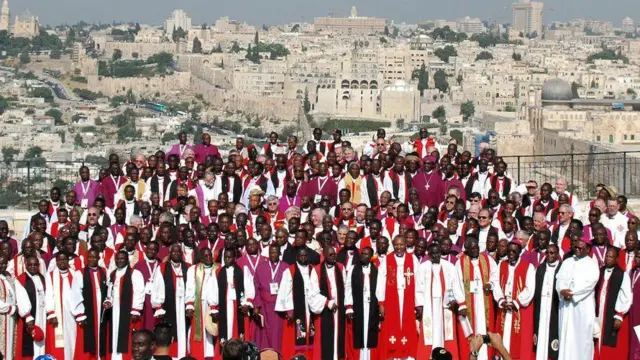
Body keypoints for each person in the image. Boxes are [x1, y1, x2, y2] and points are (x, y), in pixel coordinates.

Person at [415, 243, 466, 359]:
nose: (436, 255)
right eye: (433, 253)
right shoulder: (423, 267)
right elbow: (418, 289)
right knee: (429, 333)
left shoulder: (449, 267)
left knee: (446, 333)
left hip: (445, 306)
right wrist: (420, 306)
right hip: (429, 305)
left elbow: (456, 286)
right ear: (428, 253)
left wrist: (461, 304)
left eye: (438, 252)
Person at [275, 248, 326, 360]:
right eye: (301, 256)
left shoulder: (312, 270)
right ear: (297, 257)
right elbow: (285, 291)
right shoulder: (290, 270)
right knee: (296, 337)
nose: (303, 258)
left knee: (310, 335)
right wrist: (289, 309)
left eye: (305, 256)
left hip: (310, 308)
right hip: (296, 310)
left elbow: (316, 289)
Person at [555, 235, 600, 360]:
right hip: (566, 305)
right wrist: (562, 290)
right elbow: (559, 278)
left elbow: (590, 283)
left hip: (582, 307)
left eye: (581, 248)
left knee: (581, 340)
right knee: (565, 336)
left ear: (588, 249)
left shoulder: (592, 264)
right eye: (576, 247)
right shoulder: (568, 261)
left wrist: (573, 294)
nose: (578, 249)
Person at [455, 236, 499, 360]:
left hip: (485, 300)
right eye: (472, 248)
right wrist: (462, 304)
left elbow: (495, 276)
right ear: (467, 250)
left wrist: (490, 284)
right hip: (469, 304)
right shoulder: (461, 262)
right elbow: (457, 284)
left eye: (477, 247)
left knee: (485, 330)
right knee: (472, 332)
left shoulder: (487, 259)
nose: (475, 250)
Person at [377, 235, 419, 360]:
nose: (399, 247)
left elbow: (418, 282)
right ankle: (393, 355)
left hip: (408, 299)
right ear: (393, 245)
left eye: (401, 245)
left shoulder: (413, 259)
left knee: (409, 326)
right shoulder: (387, 259)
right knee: (391, 327)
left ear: (406, 244)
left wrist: (418, 303)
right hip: (391, 299)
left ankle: (408, 355)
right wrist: (381, 303)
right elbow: (380, 282)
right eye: (396, 245)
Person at [492, 240, 535, 360]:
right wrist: (501, 300)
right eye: (509, 251)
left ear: (520, 252)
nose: (511, 254)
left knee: (517, 341)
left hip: (518, 308)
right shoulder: (501, 264)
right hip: (504, 306)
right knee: (503, 337)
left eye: (514, 251)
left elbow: (529, 288)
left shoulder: (528, 267)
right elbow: (496, 284)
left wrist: (516, 302)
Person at [104, 250, 145, 360]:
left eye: (122, 258)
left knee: (127, 337)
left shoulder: (135, 274)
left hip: (128, 312)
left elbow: (139, 292)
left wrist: (136, 310)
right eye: (117, 258)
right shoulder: (112, 274)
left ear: (127, 260)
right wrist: (108, 301)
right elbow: (110, 293)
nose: (119, 261)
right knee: (114, 336)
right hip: (114, 312)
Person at [44, 252, 84, 360]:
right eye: (59, 260)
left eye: (64, 260)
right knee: (59, 343)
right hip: (57, 313)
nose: (62, 262)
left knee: (72, 338)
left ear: (68, 261)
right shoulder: (51, 275)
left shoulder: (74, 273)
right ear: (56, 262)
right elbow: (49, 295)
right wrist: (51, 313)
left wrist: (80, 313)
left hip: (72, 313)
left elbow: (79, 294)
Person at [151, 244, 189, 358]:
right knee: (172, 330)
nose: (176, 254)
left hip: (184, 304)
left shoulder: (187, 267)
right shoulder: (162, 268)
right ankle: (172, 355)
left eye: (178, 252)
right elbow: (156, 287)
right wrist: (158, 307)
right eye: (174, 252)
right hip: (169, 304)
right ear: (170, 254)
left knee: (184, 330)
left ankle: (183, 355)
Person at [593, 247, 631, 360]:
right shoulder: (599, 271)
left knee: (608, 340)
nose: (608, 259)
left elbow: (626, 296)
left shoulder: (622, 275)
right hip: (598, 311)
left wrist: (619, 315)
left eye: (611, 257)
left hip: (611, 313)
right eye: (607, 256)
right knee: (596, 336)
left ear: (617, 259)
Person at [214, 249, 254, 348]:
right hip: (225, 305)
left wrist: (247, 303)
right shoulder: (218, 272)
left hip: (238, 305)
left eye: (229, 257)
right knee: (226, 330)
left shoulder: (242, 270)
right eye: (225, 257)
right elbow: (213, 291)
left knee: (238, 330)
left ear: (234, 258)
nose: (227, 259)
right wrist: (214, 308)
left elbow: (249, 287)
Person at [345, 247, 380, 360]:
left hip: (371, 306)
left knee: (370, 332)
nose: (364, 256)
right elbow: (348, 287)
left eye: (367, 254)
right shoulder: (353, 268)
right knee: (359, 333)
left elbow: (380, 289)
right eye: (362, 253)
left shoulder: (376, 269)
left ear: (371, 257)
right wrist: (349, 306)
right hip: (358, 305)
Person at [74, 248, 108, 360]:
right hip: (87, 311)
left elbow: (108, 289)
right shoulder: (80, 273)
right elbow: (75, 294)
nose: (92, 259)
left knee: (101, 335)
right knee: (88, 339)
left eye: (94, 257)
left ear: (99, 258)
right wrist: (80, 314)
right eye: (90, 257)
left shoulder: (103, 271)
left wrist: (108, 300)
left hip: (100, 311)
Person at [252, 244, 288, 351]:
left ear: (279, 254)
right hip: (264, 306)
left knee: (277, 334)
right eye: (271, 252)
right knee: (264, 334)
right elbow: (256, 286)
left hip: (279, 308)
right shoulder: (261, 267)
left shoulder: (286, 267)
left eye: (275, 252)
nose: (273, 255)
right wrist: (257, 305)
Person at [314, 246, 347, 360]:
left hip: (339, 309)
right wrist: (327, 302)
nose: (334, 257)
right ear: (325, 255)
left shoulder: (340, 267)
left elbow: (346, 288)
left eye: (334, 254)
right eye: (331, 255)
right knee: (327, 338)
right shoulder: (317, 270)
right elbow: (313, 293)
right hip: (325, 310)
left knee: (339, 337)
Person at [185, 247, 218, 360]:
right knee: (200, 330)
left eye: (210, 255)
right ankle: (199, 354)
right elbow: (190, 287)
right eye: (205, 256)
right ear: (201, 257)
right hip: (199, 304)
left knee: (213, 328)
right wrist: (189, 305)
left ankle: (212, 354)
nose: (208, 258)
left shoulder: (218, 268)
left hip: (214, 305)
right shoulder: (193, 269)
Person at [15, 256, 47, 359]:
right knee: (30, 343)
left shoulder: (42, 278)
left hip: (42, 314)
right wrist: (28, 316)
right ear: (26, 265)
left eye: (35, 265)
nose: (33, 267)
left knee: (42, 340)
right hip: (30, 317)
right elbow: (21, 299)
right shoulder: (21, 279)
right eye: (30, 265)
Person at [532, 244, 561, 360]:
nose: (549, 255)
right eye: (547, 253)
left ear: (557, 254)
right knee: (540, 336)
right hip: (542, 306)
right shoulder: (541, 268)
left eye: (552, 253)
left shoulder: (561, 268)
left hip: (554, 308)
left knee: (553, 339)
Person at [0, 255, 16, 359]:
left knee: (10, 345)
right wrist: (10, 308)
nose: (3, 266)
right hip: (2, 316)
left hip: (11, 317)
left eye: (5, 263)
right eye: (1, 263)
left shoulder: (8, 276)